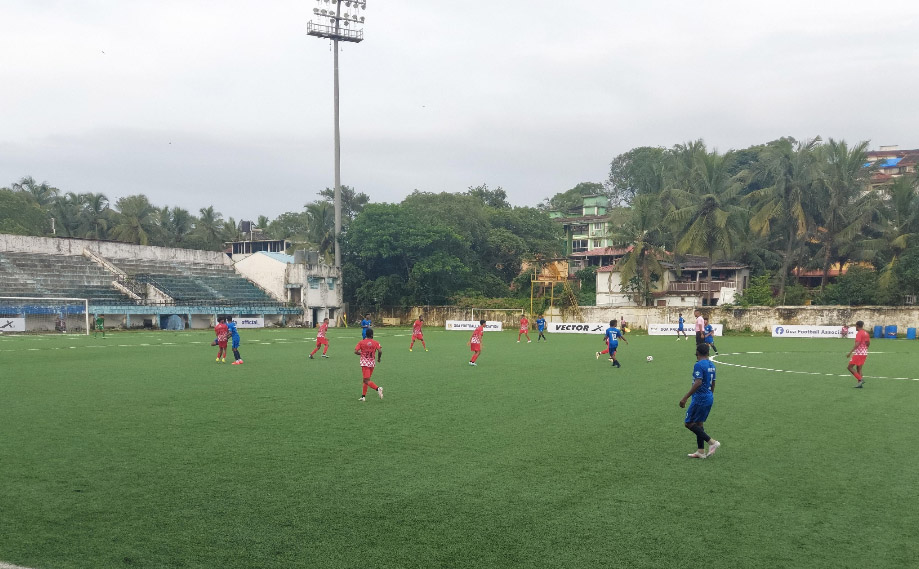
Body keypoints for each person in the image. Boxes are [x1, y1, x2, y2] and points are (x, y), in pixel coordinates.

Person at [679, 343, 721, 459]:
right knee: (699, 423)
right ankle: (700, 451)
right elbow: (713, 383)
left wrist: (685, 398)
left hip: (700, 398)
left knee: (688, 423)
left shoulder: (699, 365)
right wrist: (710, 395)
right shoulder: (712, 365)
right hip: (708, 396)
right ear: (708, 353)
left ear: (697, 353)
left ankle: (712, 442)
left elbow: (698, 382)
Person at [354, 328, 383, 401]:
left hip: (365, 363)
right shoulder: (376, 342)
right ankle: (363, 396)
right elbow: (380, 351)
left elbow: (355, 351)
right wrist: (379, 359)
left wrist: (361, 353)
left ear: (366, 334)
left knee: (366, 380)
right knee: (366, 380)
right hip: (372, 363)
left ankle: (378, 389)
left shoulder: (361, 342)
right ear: (372, 335)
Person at [846, 320, 870, 388]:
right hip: (864, 353)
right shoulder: (866, 333)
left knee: (850, 367)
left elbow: (857, 344)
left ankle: (860, 379)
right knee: (859, 368)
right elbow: (868, 343)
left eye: (855, 326)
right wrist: (865, 349)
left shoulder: (859, 333)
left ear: (857, 326)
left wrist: (850, 352)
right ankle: (860, 384)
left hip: (859, 353)